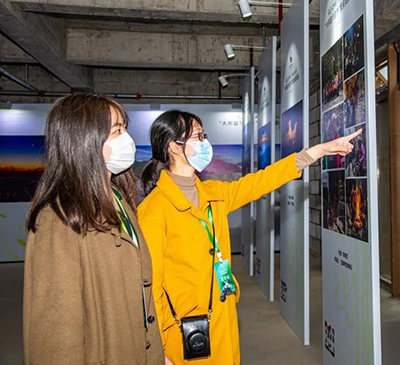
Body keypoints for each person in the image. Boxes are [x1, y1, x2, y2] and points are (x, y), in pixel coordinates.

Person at [138, 110, 360, 364]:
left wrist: (319, 150)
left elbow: (262, 181)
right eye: (198, 136)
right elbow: (150, 288)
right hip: (183, 333)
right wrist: (159, 349)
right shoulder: (154, 211)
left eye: (204, 135)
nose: (204, 142)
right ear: (174, 147)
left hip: (222, 319)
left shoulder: (214, 194)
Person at [23, 94, 166, 364]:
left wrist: (156, 354)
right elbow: (55, 330)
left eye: (125, 129)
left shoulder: (118, 200)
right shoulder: (59, 218)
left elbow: (141, 293)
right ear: (85, 140)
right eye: (117, 131)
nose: (127, 139)